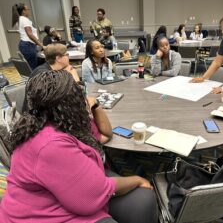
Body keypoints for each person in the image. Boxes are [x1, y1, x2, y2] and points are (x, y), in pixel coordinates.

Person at [0, 70, 158, 223]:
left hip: (68, 191)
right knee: (140, 196)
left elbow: (105, 135)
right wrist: (137, 179)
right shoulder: (50, 145)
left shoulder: (60, 122)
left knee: (142, 200)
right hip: (42, 214)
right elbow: (93, 194)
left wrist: (95, 107)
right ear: (70, 103)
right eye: (78, 94)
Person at [12, 3, 45, 70]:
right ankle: (34, 80)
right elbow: (30, 34)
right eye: (27, 9)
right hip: (28, 46)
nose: (28, 11)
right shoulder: (24, 20)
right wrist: (41, 45)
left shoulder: (18, 19)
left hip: (25, 45)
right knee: (34, 68)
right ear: (23, 11)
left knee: (32, 67)